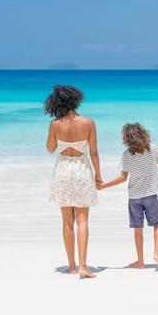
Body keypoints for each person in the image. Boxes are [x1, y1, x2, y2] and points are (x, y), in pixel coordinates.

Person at [99, 123, 158, 271]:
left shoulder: (126, 155)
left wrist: (104, 186)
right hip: (151, 195)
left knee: (138, 229)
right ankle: (156, 253)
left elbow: (122, 178)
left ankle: (141, 261)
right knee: (157, 225)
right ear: (143, 134)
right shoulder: (153, 148)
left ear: (127, 139)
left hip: (134, 197)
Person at [45, 84, 103, 279]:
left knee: (67, 222)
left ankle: (71, 266)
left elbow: (50, 148)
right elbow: (93, 152)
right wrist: (98, 174)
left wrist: (58, 136)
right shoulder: (88, 122)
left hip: (63, 170)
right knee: (83, 219)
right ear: (75, 100)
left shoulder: (55, 123)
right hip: (82, 169)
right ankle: (83, 266)